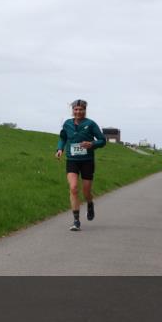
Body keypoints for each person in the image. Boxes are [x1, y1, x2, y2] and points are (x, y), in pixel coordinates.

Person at [55, 99, 107, 231]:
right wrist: (60, 149)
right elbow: (63, 137)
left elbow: (102, 140)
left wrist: (92, 144)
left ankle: (90, 203)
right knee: (73, 188)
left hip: (87, 161)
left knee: (86, 191)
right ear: (72, 110)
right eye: (76, 109)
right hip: (72, 160)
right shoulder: (67, 123)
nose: (78, 112)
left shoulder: (91, 124)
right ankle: (76, 221)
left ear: (85, 110)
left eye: (81, 109)